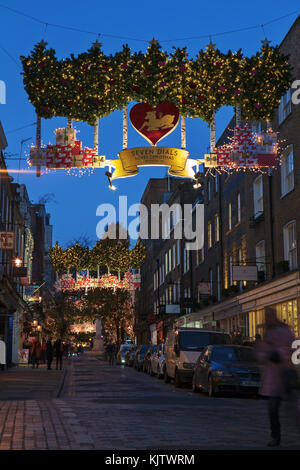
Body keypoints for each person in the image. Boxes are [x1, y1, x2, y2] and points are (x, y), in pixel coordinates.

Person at [254, 307, 295, 447]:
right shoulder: (268, 332)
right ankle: (276, 437)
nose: (268, 318)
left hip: (286, 373)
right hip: (273, 378)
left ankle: (282, 435)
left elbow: (290, 349)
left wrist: (278, 354)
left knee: (292, 406)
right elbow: (261, 354)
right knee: (273, 409)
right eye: (267, 316)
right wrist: (262, 352)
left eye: (270, 315)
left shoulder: (284, 331)